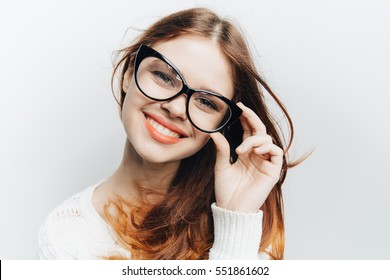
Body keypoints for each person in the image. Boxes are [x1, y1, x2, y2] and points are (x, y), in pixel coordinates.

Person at [38, 7, 304, 260]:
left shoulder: (247, 225)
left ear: (223, 123)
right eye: (164, 77)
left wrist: (236, 217)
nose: (177, 108)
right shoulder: (65, 235)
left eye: (206, 102)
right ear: (129, 73)